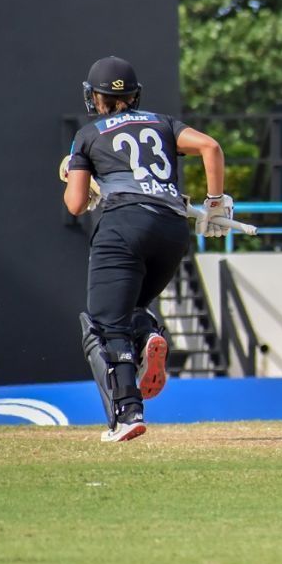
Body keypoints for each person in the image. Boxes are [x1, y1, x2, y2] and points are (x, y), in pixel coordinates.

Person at [61, 56, 234, 442]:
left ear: (96, 97)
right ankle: (148, 334)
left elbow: (74, 204)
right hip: (171, 231)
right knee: (130, 310)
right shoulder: (163, 123)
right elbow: (210, 147)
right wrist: (215, 202)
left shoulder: (88, 135)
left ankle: (127, 413)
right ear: (135, 94)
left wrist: (82, 181)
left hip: (122, 227)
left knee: (105, 326)